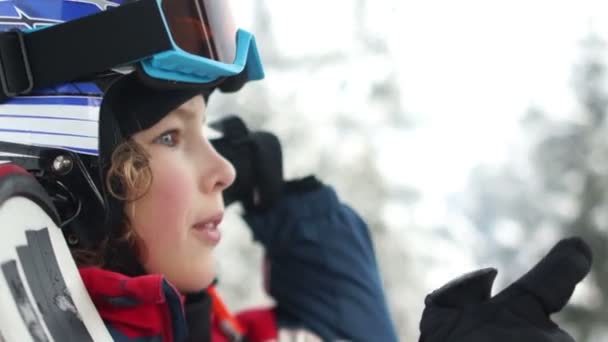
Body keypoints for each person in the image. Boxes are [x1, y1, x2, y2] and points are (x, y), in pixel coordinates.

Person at [0, 1, 592, 341]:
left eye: (207, 130)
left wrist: (304, 217)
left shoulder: (211, 330)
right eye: (171, 135)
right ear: (69, 172)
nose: (227, 169)